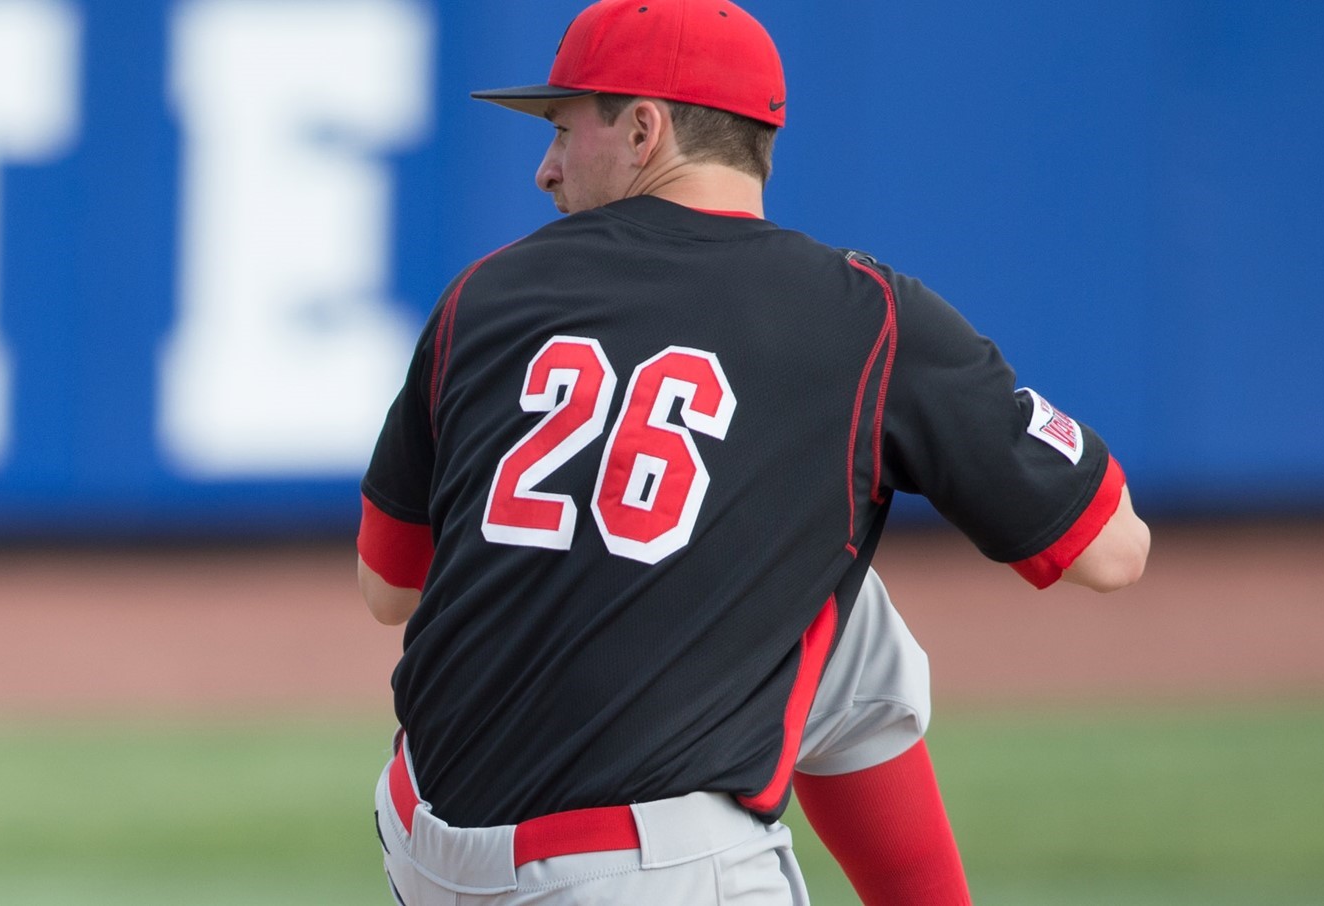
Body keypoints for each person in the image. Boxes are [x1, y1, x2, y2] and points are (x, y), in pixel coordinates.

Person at [356, 1, 1150, 903]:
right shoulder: (861, 313)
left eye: (564, 129)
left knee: (840, 609)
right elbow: (1113, 553)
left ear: (645, 129)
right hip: (646, 873)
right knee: (811, 578)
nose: (545, 169)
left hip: (424, 844)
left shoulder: (484, 293)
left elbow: (392, 590)